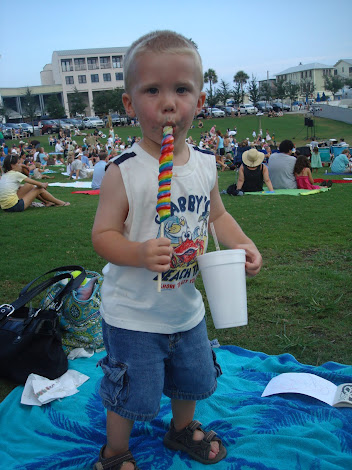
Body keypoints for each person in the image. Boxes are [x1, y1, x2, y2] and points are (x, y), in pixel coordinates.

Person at [91, 30, 262, 470]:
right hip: (133, 313)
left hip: (187, 307)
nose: (168, 103)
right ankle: (114, 452)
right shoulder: (123, 171)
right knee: (132, 391)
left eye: (181, 90)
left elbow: (217, 216)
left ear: (199, 101)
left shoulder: (205, 163)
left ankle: (180, 430)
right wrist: (139, 253)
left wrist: (241, 244)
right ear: (129, 104)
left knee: (191, 379)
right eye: (152, 90)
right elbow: (103, 236)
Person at [0, 154, 70, 211]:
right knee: (38, 188)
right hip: (14, 206)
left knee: (30, 186)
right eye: (18, 163)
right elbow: (33, 182)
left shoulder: (5, 175)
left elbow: (14, 187)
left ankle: (47, 202)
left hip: (5, 207)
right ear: (12, 166)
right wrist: (42, 184)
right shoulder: (15, 174)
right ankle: (60, 203)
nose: (20, 165)